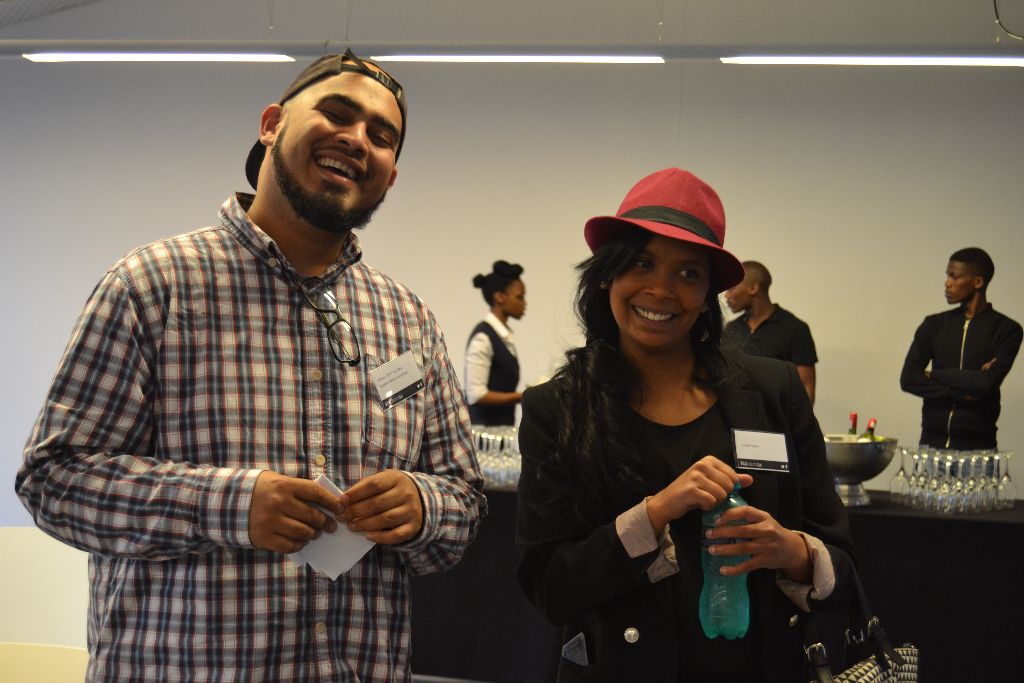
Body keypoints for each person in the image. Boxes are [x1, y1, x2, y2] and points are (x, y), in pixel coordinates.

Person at [16, 50, 486, 682]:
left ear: (390, 176)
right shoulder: (151, 287)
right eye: (337, 113)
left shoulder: (408, 319)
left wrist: (423, 508)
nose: (357, 139)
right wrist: (229, 504)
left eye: (382, 136)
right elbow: (54, 480)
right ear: (271, 124)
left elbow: (463, 500)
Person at [515, 168, 854, 681]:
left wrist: (792, 552)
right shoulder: (559, 409)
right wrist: (654, 514)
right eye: (642, 263)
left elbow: (844, 566)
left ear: (708, 293)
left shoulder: (774, 392)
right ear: (607, 274)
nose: (661, 290)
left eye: (688, 273)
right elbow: (550, 588)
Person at [900, 247, 1022, 450]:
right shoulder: (934, 325)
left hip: (979, 451)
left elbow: (987, 383)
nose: (947, 283)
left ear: (978, 282)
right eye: (947, 275)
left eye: (954, 276)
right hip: (932, 448)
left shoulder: (1007, 330)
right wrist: (962, 394)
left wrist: (933, 375)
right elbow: (908, 379)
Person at [724, 261, 818, 403]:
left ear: (753, 288)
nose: (726, 295)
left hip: (778, 416)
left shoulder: (795, 329)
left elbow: (806, 389)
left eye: (732, 288)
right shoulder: (731, 329)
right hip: (736, 414)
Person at [465, 260, 527, 425]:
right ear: (500, 297)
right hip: (484, 435)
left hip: (501, 432)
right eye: (520, 297)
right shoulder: (483, 338)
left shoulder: (502, 336)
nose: (524, 303)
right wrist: (523, 396)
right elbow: (476, 395)